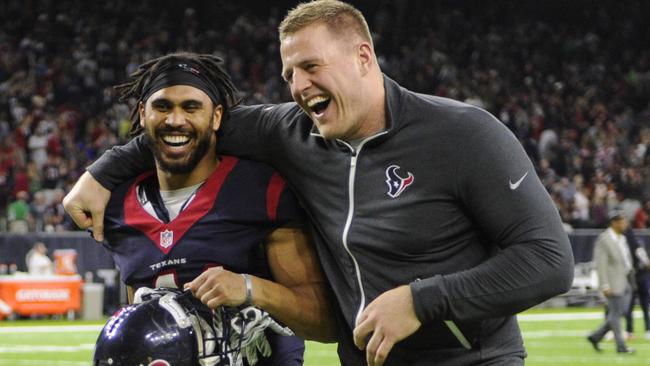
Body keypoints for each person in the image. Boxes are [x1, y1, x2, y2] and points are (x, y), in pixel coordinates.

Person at [63, 1, 574, 365]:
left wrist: (423, 299)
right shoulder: (291, 131)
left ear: (363, 57)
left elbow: (548, 261)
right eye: (289, 74)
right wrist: (104, 170)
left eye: (310, 67)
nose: (298, 87)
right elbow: (187, 128)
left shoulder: (463, 133)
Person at [91, 52, 335, 365]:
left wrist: (250, 288)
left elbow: (324, 322)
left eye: (191, 107)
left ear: (216, 117)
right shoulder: (115, 209)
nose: (175, 120)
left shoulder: (262, 189)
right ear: (142, 113)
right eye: (162, 106)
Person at [587, 212, 635, 354]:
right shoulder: (604, 239)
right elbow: (600, 264)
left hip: (625, 280)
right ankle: (621, 346)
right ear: (614, 223)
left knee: (621, 312)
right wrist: (605, 285)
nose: (625, 224)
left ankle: (595, 336)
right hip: (613, 282)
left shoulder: (622, 238)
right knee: (615, 314)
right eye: (622, 221)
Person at [624, 227, 650, 340]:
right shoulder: (639, 247)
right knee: (645, 306)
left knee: (629, 306)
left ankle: (629, 331)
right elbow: (647, 263)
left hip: (632, 278)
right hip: (642, 278)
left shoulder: (625, 246)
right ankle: (648, 330)